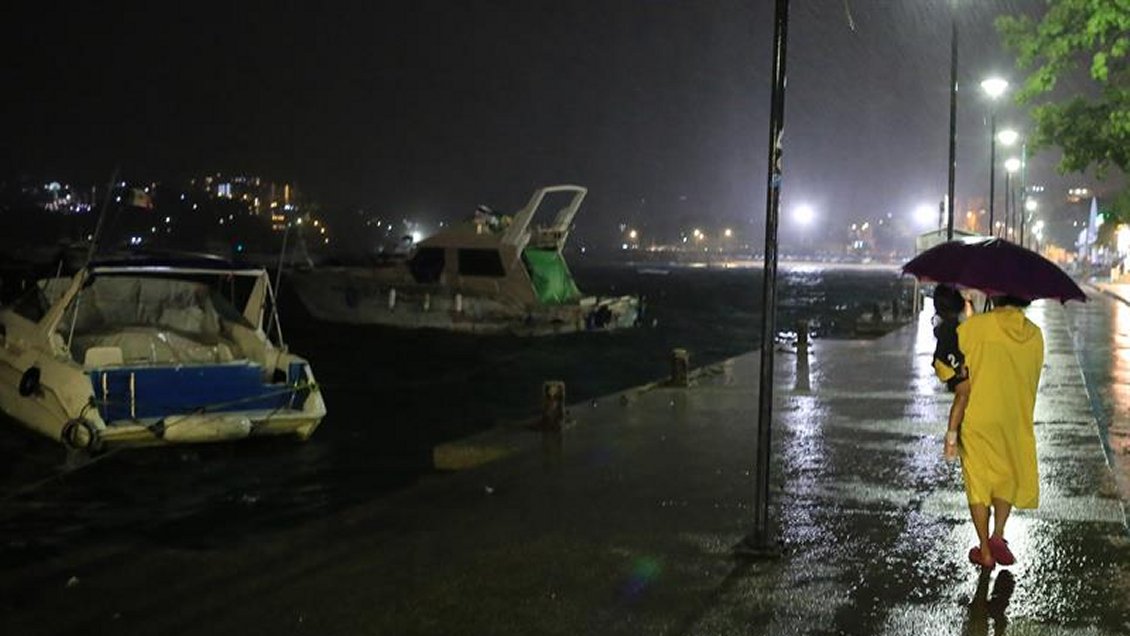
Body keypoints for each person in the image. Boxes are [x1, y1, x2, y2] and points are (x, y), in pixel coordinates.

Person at [954, 294, 1044, 570]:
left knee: (978, 484)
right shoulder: (1034, 335)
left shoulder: (974, 328)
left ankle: (985, 550)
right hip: (1014, 419)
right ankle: (998, 535)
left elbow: (953, 367)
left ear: (994, 295)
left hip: (978, 419)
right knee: (1005, 478)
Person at [932, 284, 970, 463]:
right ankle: (951, 439)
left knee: (962, 394)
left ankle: (952, 437)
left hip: (946, 362)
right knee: (963, 394)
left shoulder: (948, 329)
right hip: (952, 364)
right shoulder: (956, 332)